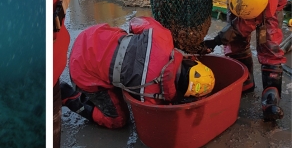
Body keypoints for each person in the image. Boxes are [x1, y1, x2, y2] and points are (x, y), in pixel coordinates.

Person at [53, 0, 150, 148]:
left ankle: (63, 94)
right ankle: (72, 98)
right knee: (116, 120)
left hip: (54, 69)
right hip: (58, 71)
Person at [61, 16, 215, 129]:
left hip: (91, 35)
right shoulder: (151, 97)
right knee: (118, 121)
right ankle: (70, 97)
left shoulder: (162, 36)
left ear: (191, 61)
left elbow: (135, 22)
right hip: (82, 70)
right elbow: (151, 118)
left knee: (123, 43)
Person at [203, 0, 289, 122]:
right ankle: (245, 82)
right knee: (237, 41)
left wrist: (216, 41)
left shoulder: (266, 9)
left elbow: (238, 28)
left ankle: (270, 99)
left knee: (270, 44)